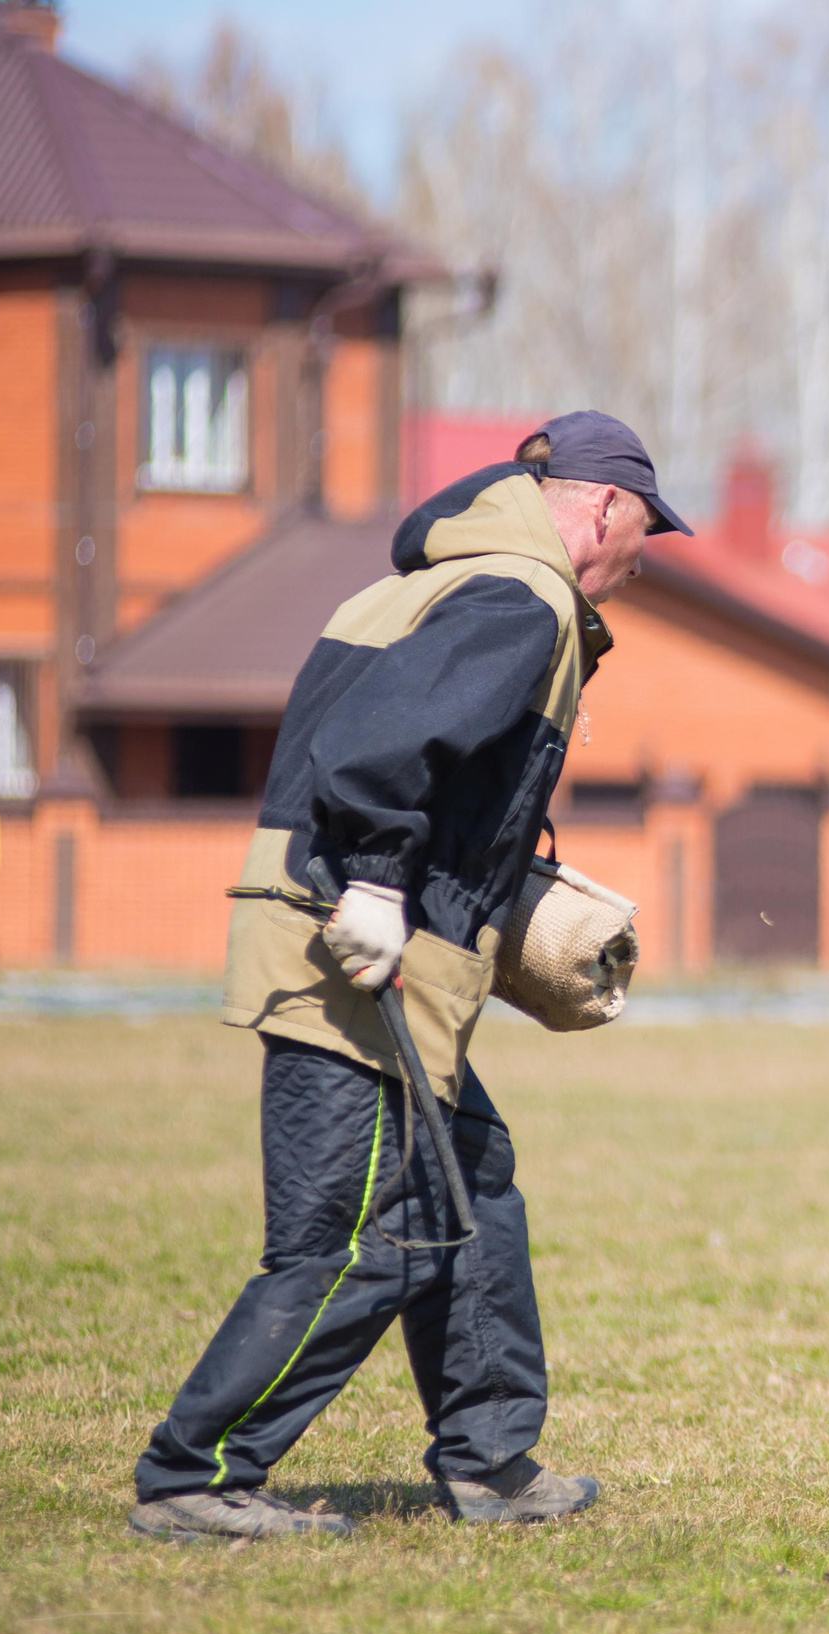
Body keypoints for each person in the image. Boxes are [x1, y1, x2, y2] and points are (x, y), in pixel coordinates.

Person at [129, 412, 691, 1542]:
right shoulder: (518, 601)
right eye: (645, 530)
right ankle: (198, 1474)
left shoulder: (440, 582)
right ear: (597, 507)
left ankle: (492, 1461)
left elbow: (418, 756)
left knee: (467, 1177)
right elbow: (378, 750)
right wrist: (379, 879)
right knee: (361, 1236)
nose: (643, 557)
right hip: (354, 952)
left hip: (372, 952)